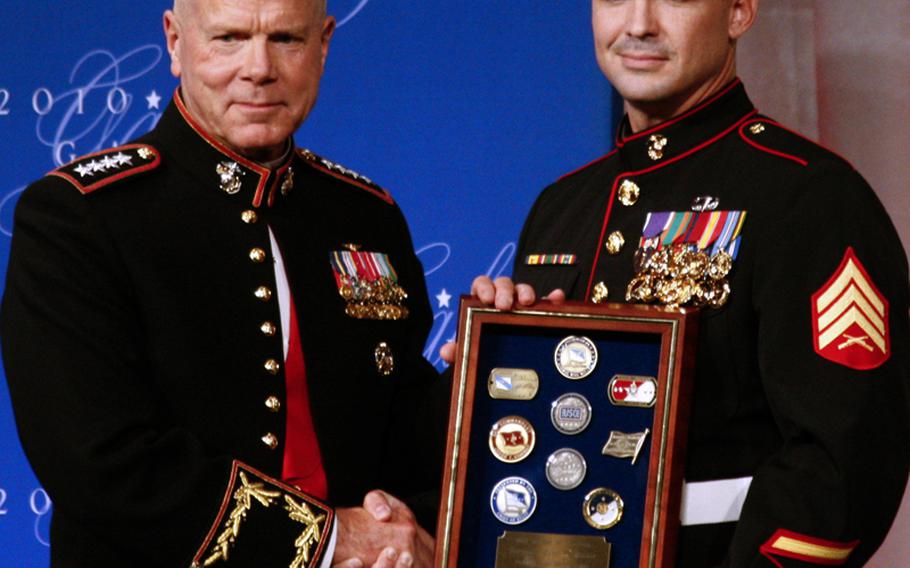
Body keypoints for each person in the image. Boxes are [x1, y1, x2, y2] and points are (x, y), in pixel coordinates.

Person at [450, 0, 910, 566]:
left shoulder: (809, 196)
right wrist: (494, 367)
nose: (639, 24)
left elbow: (846, 464)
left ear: (739, 11)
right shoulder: (562, 206)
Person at [1, 1, 446, 567]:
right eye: (229, 38)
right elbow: (101, 462)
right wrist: (330, 541)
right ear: (174, 41)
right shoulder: (80, 217)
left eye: (286, 39)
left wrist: (501, 364)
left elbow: (407, 442)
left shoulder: (365, 216)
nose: (259, 67)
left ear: (324, 45)